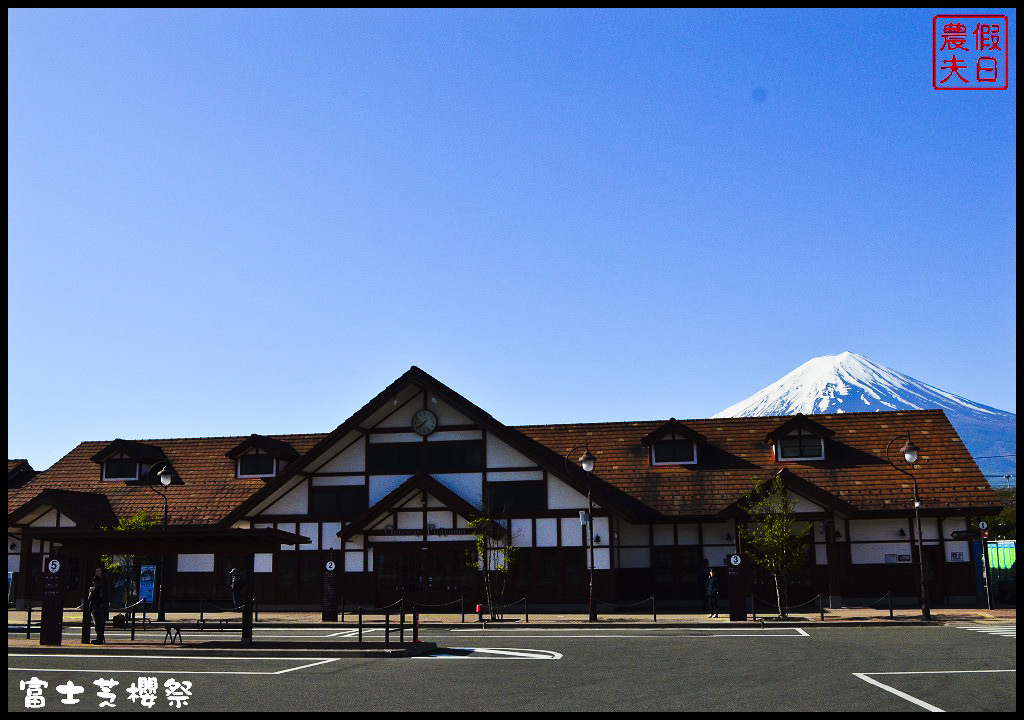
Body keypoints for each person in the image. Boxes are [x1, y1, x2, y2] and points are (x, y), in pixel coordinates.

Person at [88, 576, 108, 644]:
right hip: (94, 608)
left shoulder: (102, 589)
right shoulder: (92, 589)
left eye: (96, 582)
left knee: (100, 624)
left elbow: (104, 598)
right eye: (94, 582)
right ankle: (99, 637)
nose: (94, 584)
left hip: (100, 608)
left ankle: (100, 638)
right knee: (96, 623)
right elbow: (89, 598)